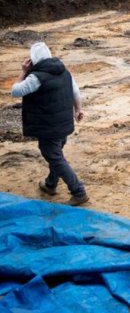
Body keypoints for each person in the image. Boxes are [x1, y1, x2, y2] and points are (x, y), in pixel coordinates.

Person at [11, 42, 89, 206]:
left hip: (49, 127)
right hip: (64, 124)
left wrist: (23, 72)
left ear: (33, 59)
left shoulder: (35, 77)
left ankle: (79, 191)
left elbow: (15, 91)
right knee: (56, 155)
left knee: (54, 156)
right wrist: (78, 110)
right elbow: (75, 90)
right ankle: (50, 184)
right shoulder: (64, 71)